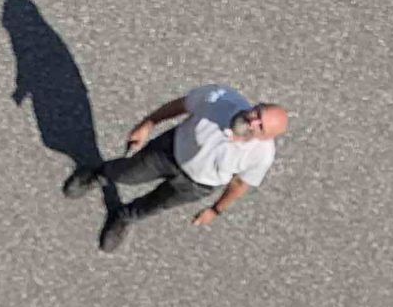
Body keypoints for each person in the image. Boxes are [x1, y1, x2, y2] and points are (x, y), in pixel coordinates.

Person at [66, 84, 288, 252]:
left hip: (197, 185)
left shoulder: (262, 155)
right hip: (168, 152)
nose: (253, 122)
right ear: (255, 106)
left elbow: (240, 184)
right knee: (126, 174)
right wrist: (148, 123)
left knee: (153, 206)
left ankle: (123, 217)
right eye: (257, 114)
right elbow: (181, 105)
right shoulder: (219, 99)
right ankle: (98, 175)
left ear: (267, 137)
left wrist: (215, 209)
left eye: (261, 127)